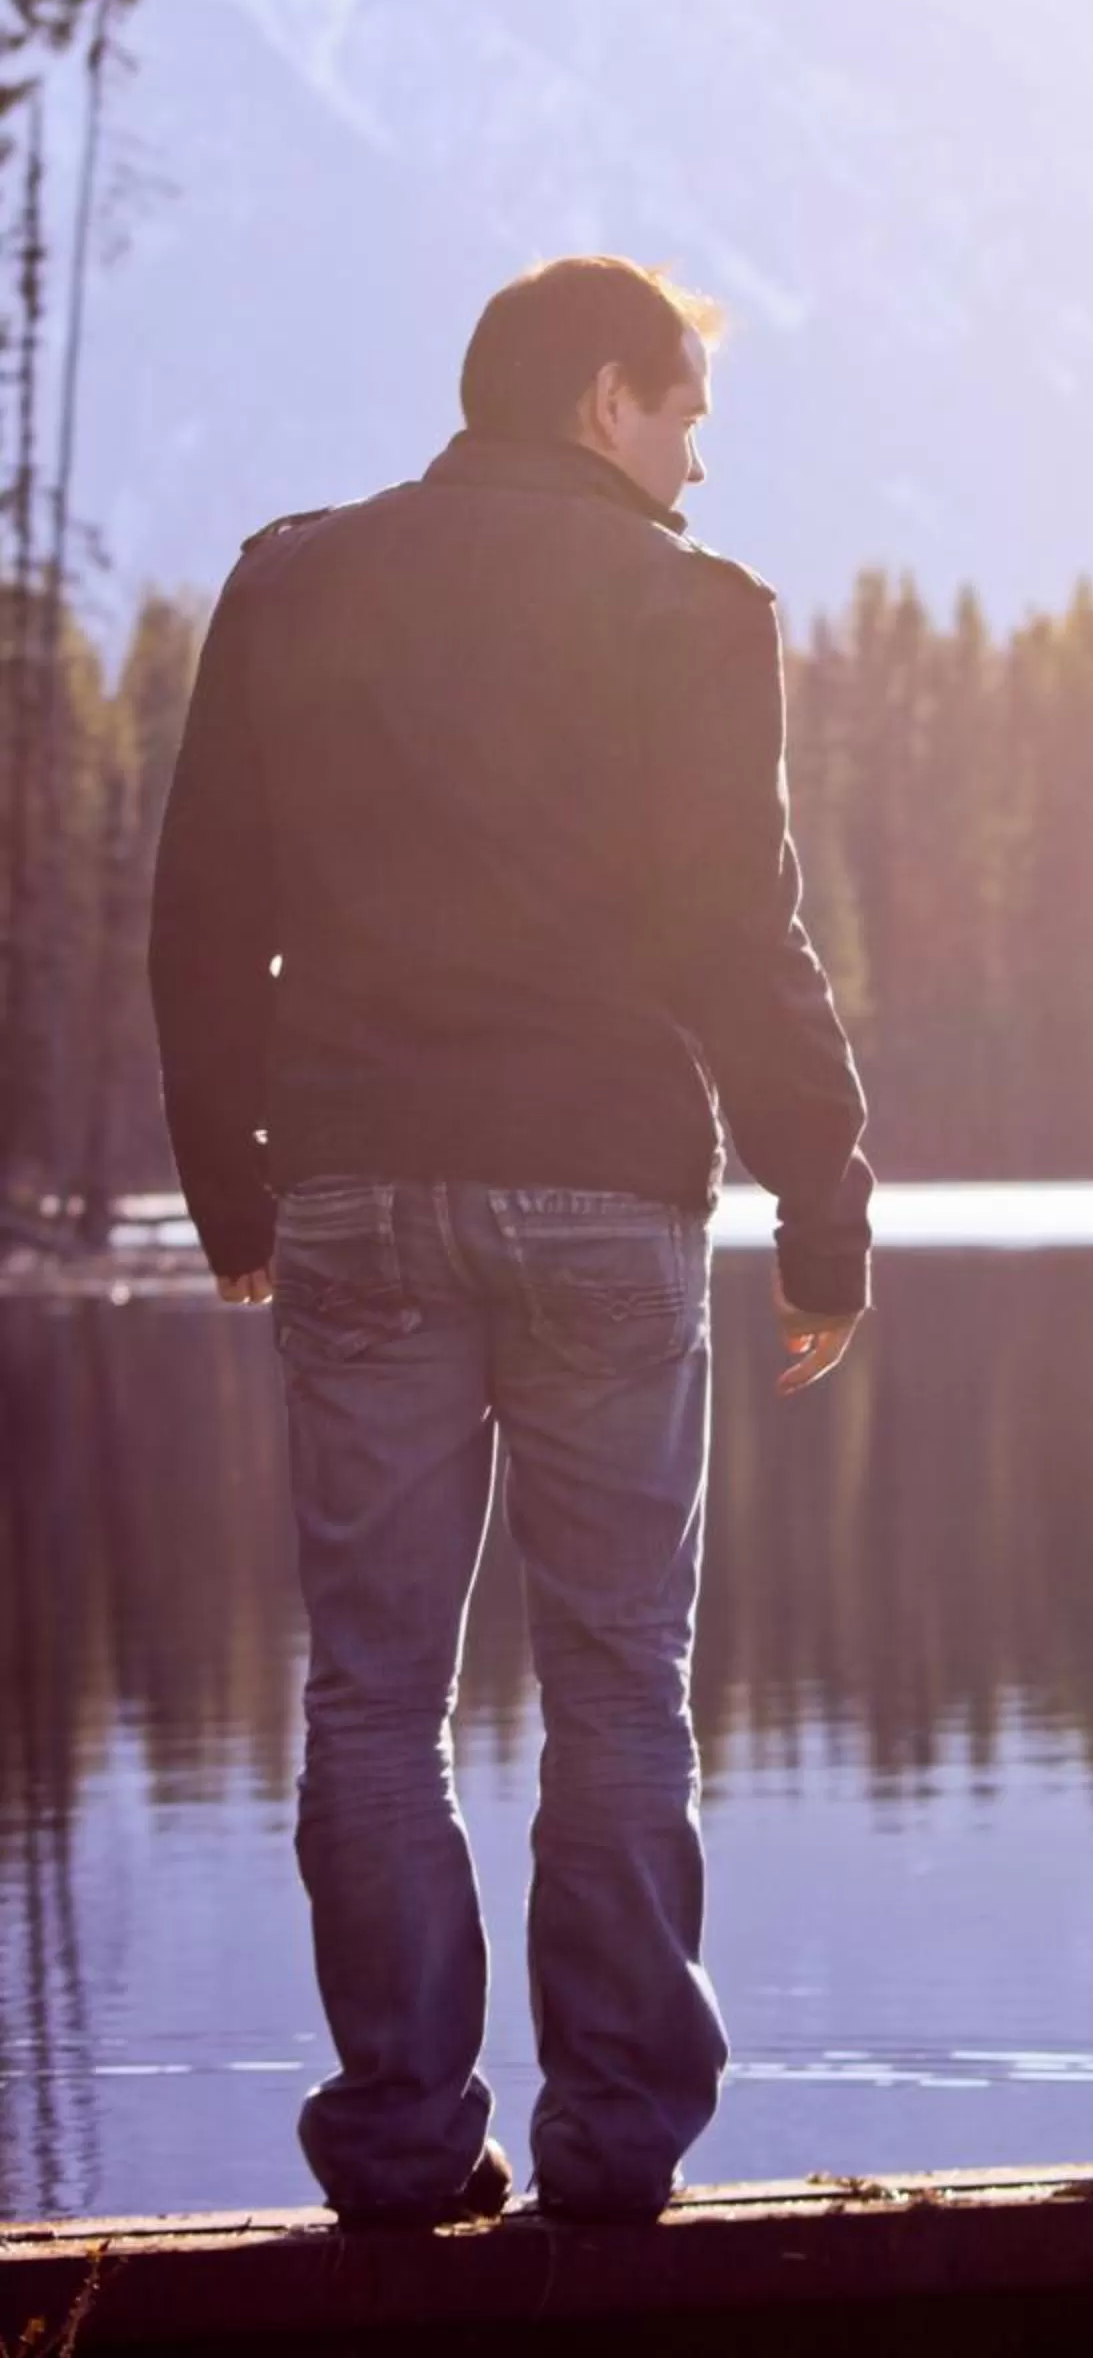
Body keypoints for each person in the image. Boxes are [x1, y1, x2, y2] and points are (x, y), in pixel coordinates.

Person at [148, 255, 872, 2230]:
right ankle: (612, 2159)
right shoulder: (689, 612)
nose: (698, 454)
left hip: (360, 1188)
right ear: (595, 402)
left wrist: (233, 1183)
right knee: (616, 1688)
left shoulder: (293, 581)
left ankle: (399, 2150)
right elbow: (743, 935)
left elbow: (203, 902)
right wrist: (826, 1214)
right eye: (680, 408)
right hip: (600, 1200)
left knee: (375, 1698)